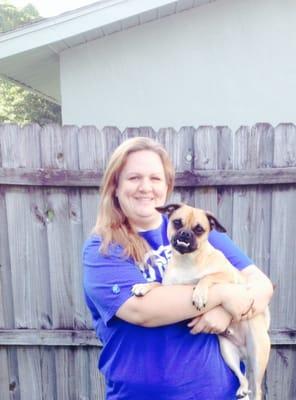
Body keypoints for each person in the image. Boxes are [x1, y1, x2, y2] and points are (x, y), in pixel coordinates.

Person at [83, 137, 273, 400]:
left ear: (167, 186)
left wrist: (227, 314)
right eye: (134, 178)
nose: (145, 187)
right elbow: (143, 310)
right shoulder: (103, 247)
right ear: (114, 186)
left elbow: (261, 284)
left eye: (155, 178)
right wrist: (223, 296)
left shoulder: (201, 231)